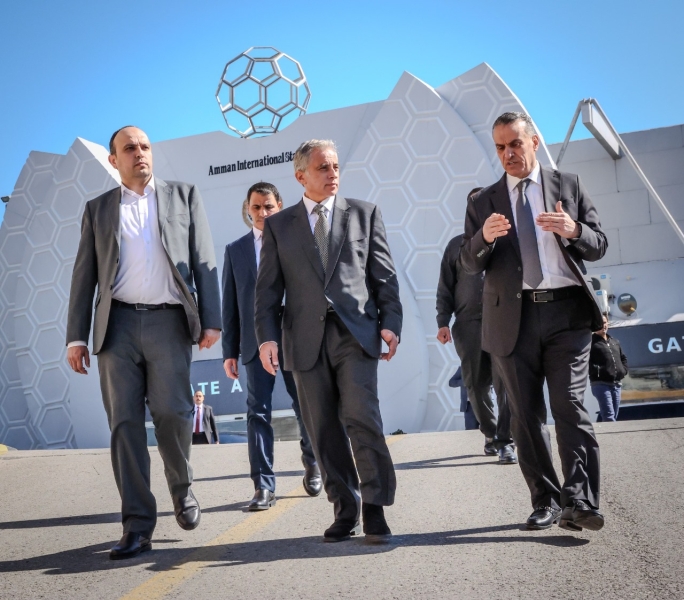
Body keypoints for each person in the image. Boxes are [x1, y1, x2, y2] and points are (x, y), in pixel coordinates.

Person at [66, 126, 221, 560]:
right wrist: (76, 336)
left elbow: (204, 258)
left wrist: (211, 320)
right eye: (130, 148)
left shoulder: (183, 196)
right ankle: (136, 524)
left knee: (174, 412)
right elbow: (84, 276)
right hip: (115, 327)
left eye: (145, 146)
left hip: (168, 321)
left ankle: (182, 488)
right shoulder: (98, 209)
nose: (140, 153)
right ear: (114, 160)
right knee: (124, 424)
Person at [460, 112, 608, 533]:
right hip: (513, 317)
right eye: (500, 147)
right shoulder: (482, 201)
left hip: (567, 314)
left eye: (515, 144)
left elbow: (599, 244)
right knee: (525, 415)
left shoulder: (569, 185)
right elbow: (468, 263)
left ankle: (580, 501)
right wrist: (484, 238)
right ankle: (545, 500)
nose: (508, 153)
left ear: (534, 142)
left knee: (570, 406)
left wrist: (574, 229)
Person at [254, 140, 402, 544]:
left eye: (335, 166)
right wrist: (267, 339)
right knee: (323, 429)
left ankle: (375, 507)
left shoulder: (364, 214)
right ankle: (345, 508)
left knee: (362, 417)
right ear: (301, 176)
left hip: (356, 334)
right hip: (303, 339)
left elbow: (384, 277)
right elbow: (267, 291)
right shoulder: (279, 226)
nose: (332, 173)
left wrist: (391, 323)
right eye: (323, 167)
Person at [222, 181, 322, 511]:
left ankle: (313, 463)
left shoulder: (297, 241)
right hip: (254, 343)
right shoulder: (235, 250)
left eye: (268, 206)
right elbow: (230, 304)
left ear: (279, 207)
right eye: (256, 207)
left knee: (305, 405)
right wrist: (229, 351)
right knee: (258, 413)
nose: (262, 213)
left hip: (295, 337)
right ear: (247, 210)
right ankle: (263, 486)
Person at [437, 188, 516, 463]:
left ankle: (505, 440)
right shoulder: (455, 246)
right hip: (467, 324)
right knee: (476, 385)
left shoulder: (509, 240)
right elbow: (445, 287)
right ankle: (491, 434)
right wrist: (442, 321)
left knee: (505, 383)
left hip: (502, 321)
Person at [589, 314, 628, 422]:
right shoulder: (590, 343)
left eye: (605, 323)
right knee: (609, 415)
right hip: (600, 384)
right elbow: (585, 362)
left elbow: (623, 358)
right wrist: (598, 371)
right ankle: (613, 433)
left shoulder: (614, 341)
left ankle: (607, 431)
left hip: (616, 384)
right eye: (600, 323)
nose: (603, 325)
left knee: (614, 414)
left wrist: (623, 371)